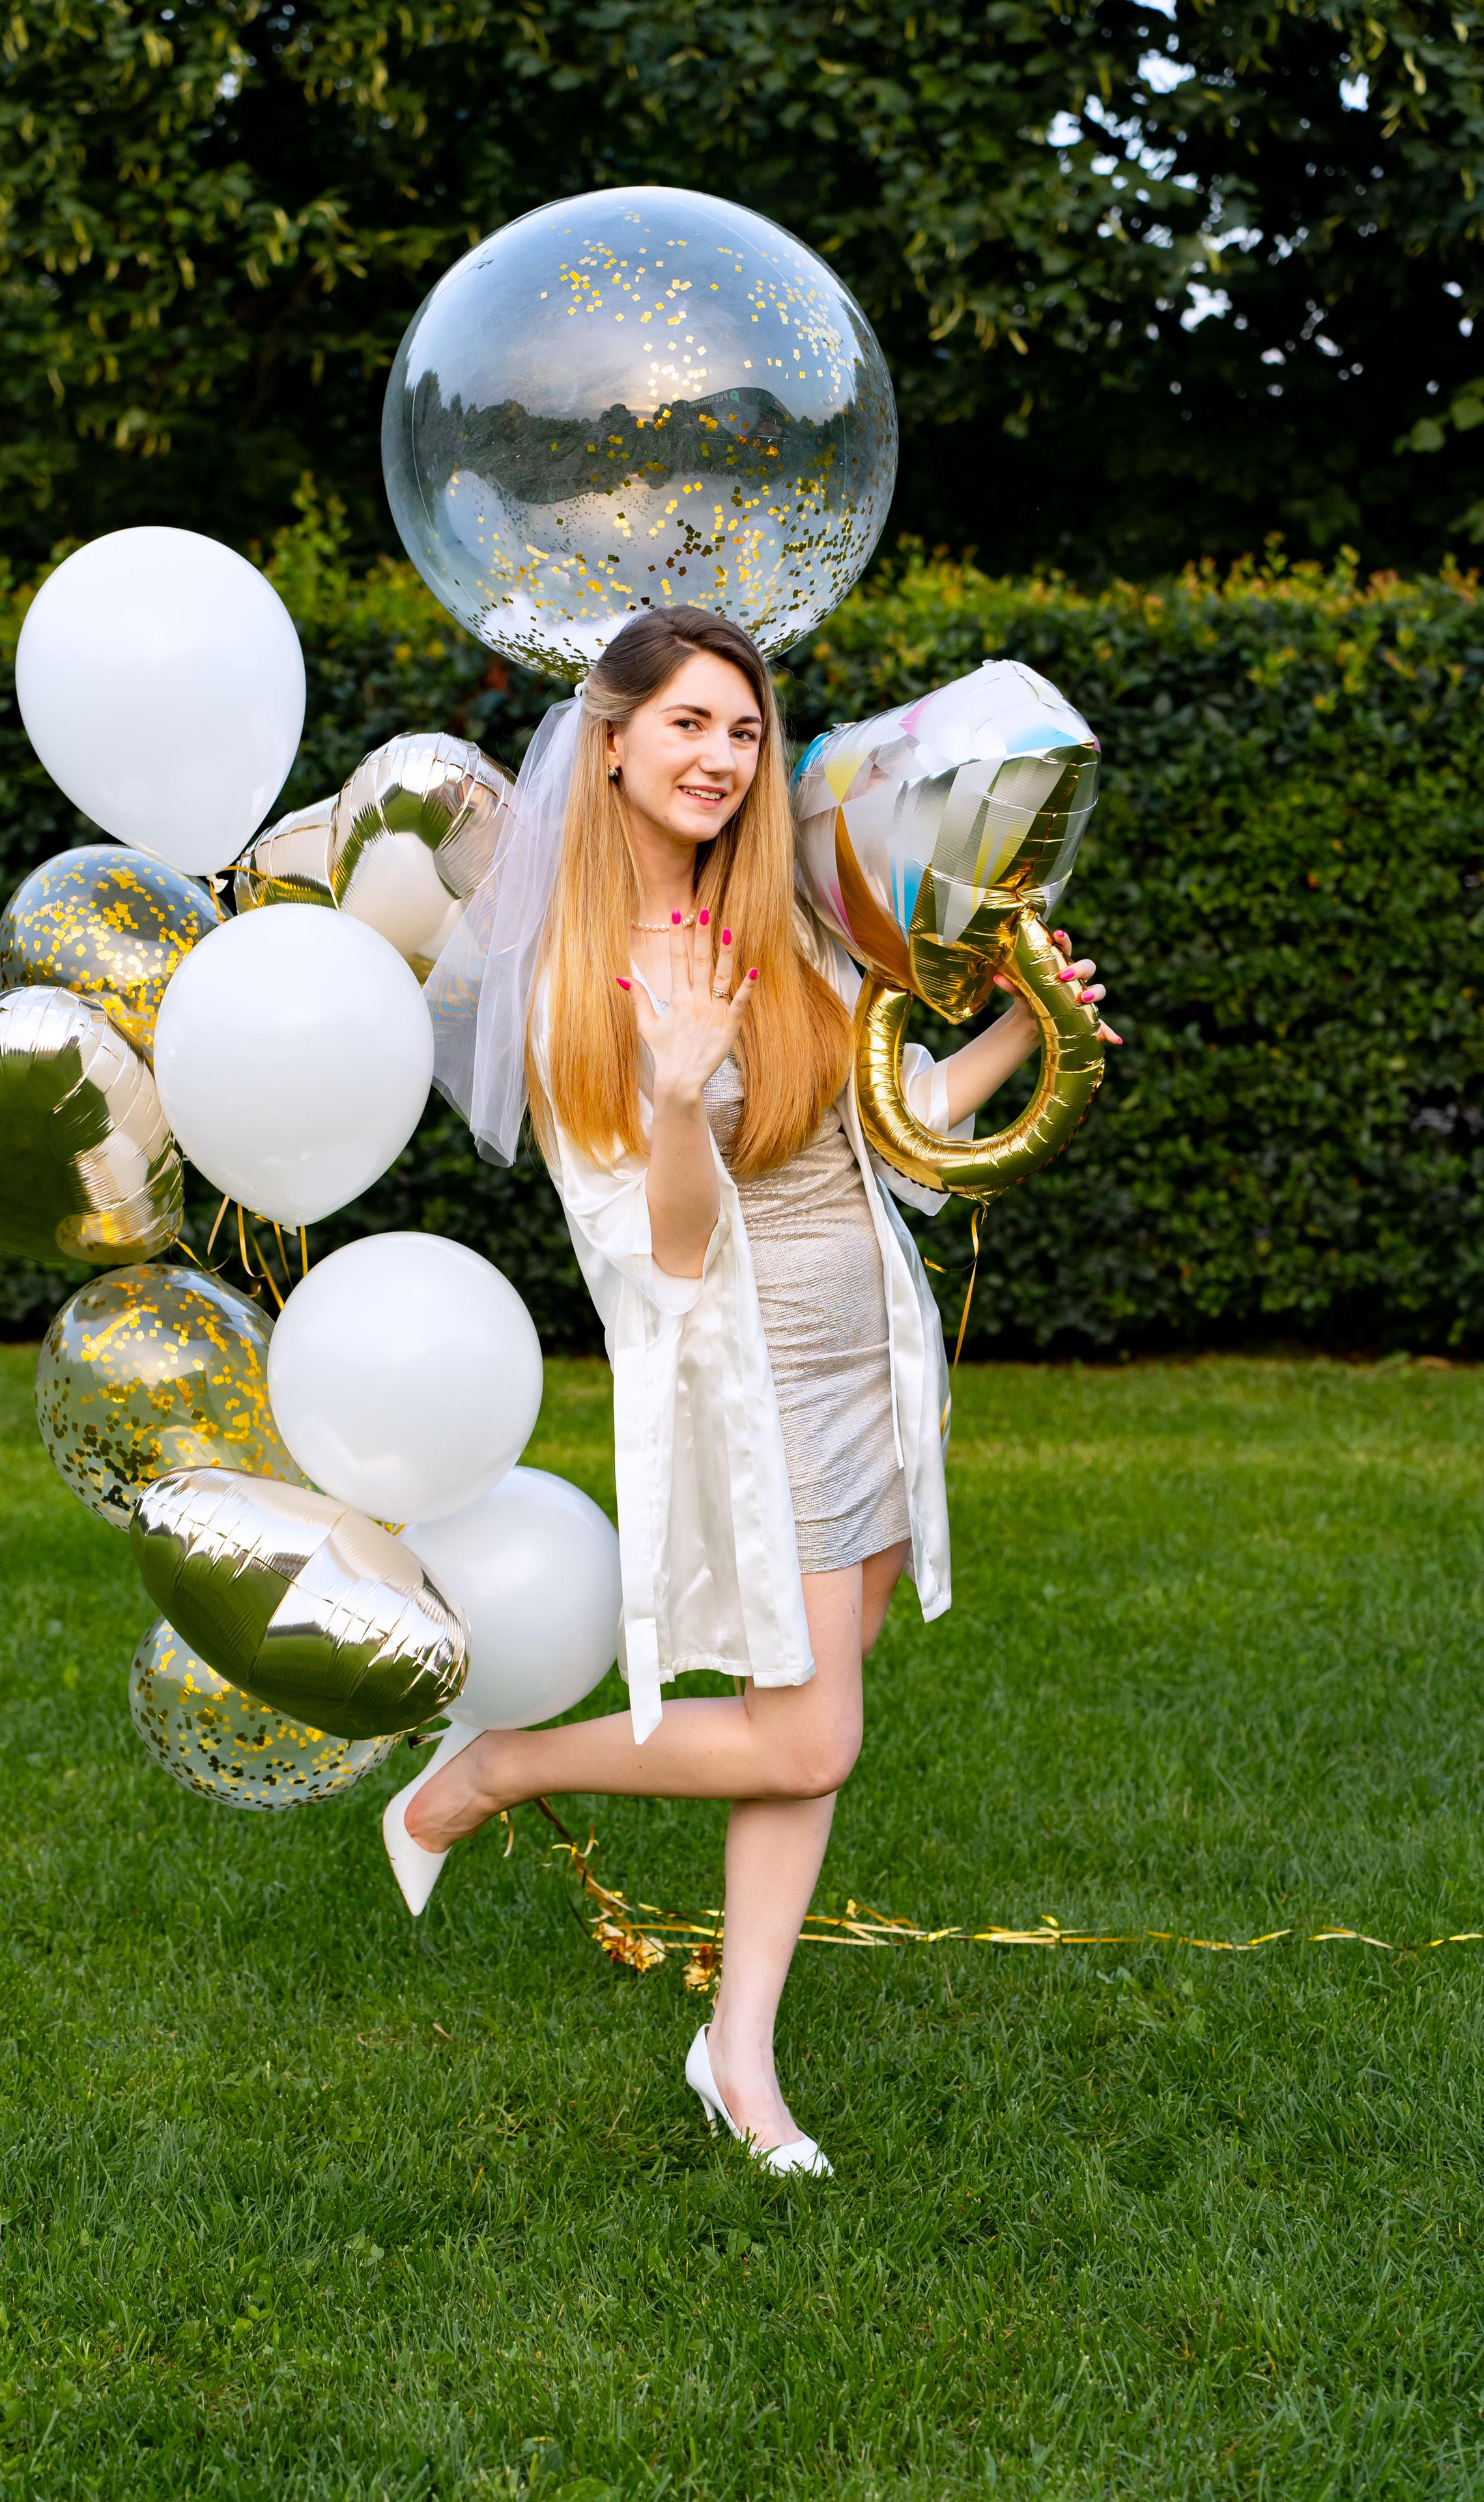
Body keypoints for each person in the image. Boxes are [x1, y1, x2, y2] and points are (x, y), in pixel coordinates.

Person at [386, 608, 1119, 2176]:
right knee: (806, 1741)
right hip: (751, 1383)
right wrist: (667, 1092)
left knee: (816, 1696)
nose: (720, 758)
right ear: (611, 742)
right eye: (687, 727)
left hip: (866, 1360)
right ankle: (498, 1768)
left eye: (741, 731)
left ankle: (737, 2053)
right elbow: (660, 1259)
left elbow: (890, 1125)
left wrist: (1021, 1029)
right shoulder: (571, 979)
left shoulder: (789, 918)